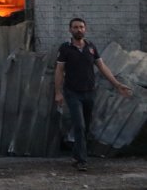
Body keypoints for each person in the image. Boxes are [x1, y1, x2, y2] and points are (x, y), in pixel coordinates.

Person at [54, 17, 132, 172]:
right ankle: (82, 161)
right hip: (72, 92)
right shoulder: (65, 48)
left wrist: (116, 85)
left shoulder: (91, 47)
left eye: (81, 27)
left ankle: (77, 155)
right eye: (75, 27)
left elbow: (102, 67)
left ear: (85, 29)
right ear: (70, 30)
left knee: (85, 127)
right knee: (79, 125)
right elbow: (59, 71)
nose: (79, 30)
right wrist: (58, 93)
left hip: (89, 93)